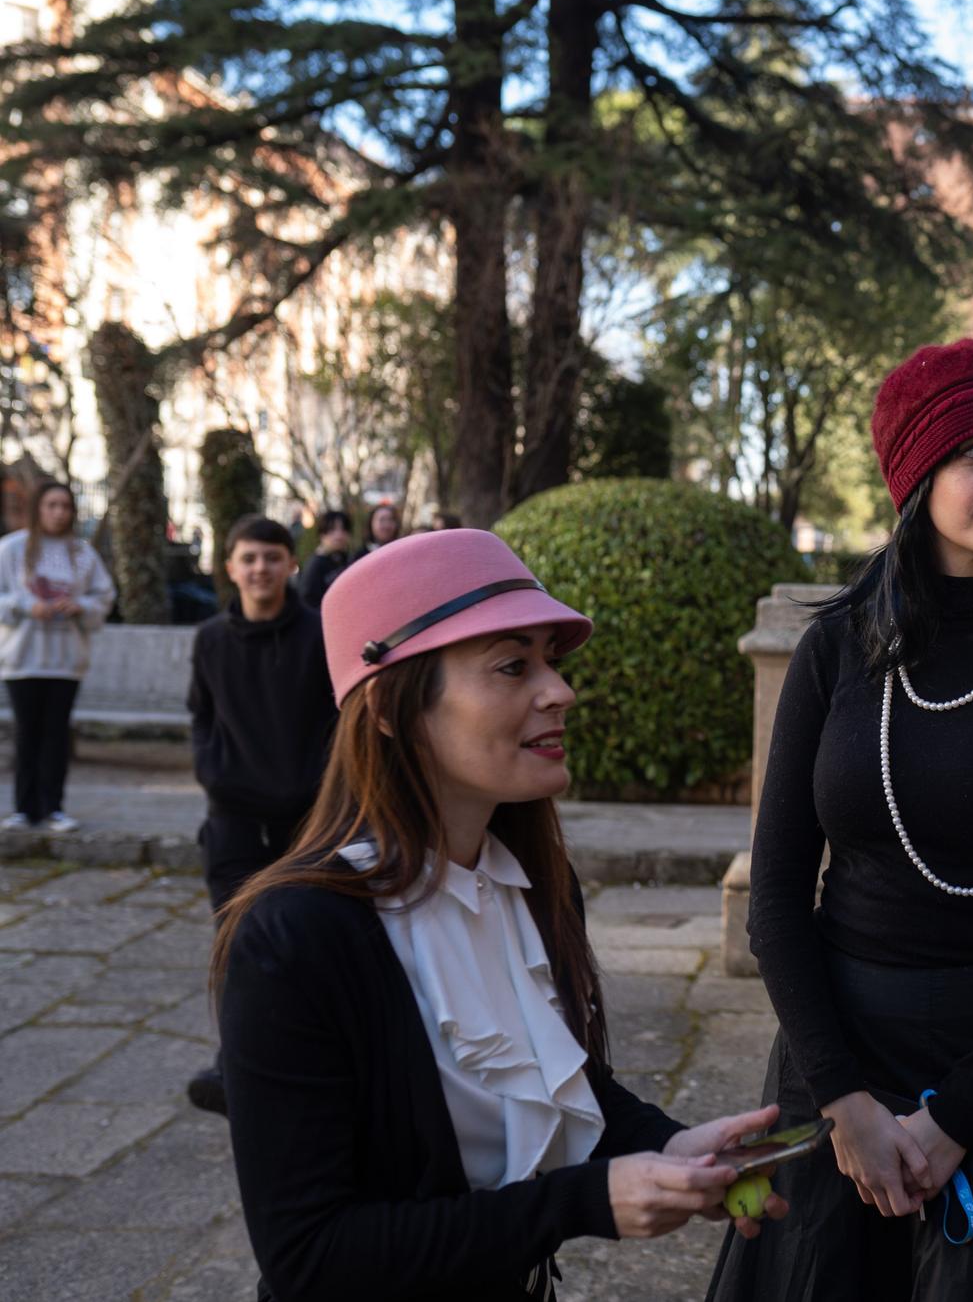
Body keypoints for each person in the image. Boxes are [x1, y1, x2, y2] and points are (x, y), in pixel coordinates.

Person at [211, 528, 788, 1299]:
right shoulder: (293, 937)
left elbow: (565, 1084)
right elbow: (311, 1255)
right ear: (388, 706)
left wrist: (670, 1144)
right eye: (514, 665)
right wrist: (583, 1201)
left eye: (550, 660)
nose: (560, 690)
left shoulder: (535, 887)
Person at [709, 339, 973, 1302]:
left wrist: (957, 1118)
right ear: (918, 474)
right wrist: (842, 1100)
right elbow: (776, 893)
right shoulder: (836, 650)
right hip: (841, 1058)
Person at [184, 515, 340, 1115]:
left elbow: (341, 720)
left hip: (311, 821)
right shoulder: (210, 641)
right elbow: (201, 714)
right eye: (248, 558)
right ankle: (236, 1067)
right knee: (238, 941)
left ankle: (317, 1059)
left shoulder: (321, 634)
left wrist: (327, 789)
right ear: (230, 567)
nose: (260, 569)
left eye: (272, 557)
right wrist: (212, 770)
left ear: (290, 563)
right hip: (234, 820)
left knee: (314, 942)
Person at [0, 481, 116, 833]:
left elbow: (104, 596)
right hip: (23, 658)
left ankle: (54, 808)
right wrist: (25, 605)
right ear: (38, 508)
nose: (58, 512)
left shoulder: (82, 554)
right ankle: (24, 808)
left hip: (66, 660)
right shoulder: (12, 549)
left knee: (55, 733)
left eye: (65, 506)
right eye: (51, 504)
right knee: (27, 733)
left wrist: (79, 605)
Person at [298, 508, 353, 609]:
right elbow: (309, 604)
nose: (339, 535)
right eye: (332, 530)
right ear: (322, 534)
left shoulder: (344, 558)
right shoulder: (314, 566)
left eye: (344, 529)